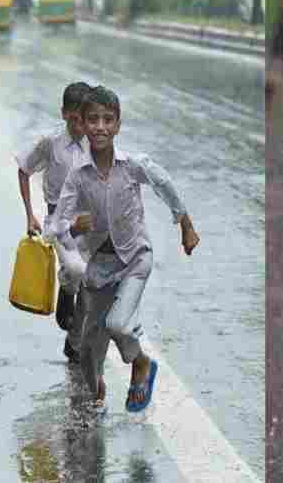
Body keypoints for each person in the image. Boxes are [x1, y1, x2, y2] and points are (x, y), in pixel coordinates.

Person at [50, 86, 199, 412]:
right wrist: (74, 227)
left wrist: (185, 224)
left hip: (134, 260)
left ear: (117, 124)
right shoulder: (78, 176)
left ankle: (141, 362)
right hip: (99, 268)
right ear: (83, 124)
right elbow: (56, 226)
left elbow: (163, 182)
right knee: (88, 352)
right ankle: (95, 398)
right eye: (93, 120)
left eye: (108, 119)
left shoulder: (131, 166)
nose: (100, 126)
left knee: (117, 324)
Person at [16, 81, 91, 363]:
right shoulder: (50, 143)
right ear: (64, 114)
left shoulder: (97, 144)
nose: (80, 125)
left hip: (90, 223)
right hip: (57, 221)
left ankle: (73, 344)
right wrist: (29, 214)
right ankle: (65, 289)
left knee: (91, 285)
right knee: (74, 269)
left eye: (84, 119)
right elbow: (23, 169)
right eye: (74, 119)